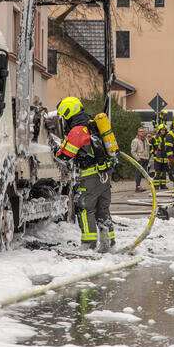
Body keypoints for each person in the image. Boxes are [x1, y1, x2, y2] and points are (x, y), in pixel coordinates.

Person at [55, 97, 115, 251]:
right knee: (103, 209)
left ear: (68, 113)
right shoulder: (92, 123)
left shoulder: (77, 130)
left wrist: (57, 147)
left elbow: (65, 155)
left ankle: (88, 245)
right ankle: (108, 244)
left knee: (85, 208)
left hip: (90, 176)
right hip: (105, 174)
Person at [149, 124, 169, 190]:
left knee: (163, 173)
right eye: (162, 130)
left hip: (165, 158)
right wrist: (153, 152)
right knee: (157, 172)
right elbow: (149, 146)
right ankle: (156, 185)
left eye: (164, 130)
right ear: (159, 131)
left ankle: (163, 185)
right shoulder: (155, 138)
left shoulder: (167, 138)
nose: (163, 131)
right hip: (157, 159)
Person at [130, 127, 150, 192]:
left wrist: (148, 157)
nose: (142, 133)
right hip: (140, 159)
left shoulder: (146, 140)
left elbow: (147, 149)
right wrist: (137, 158)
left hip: (145, 159)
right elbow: (133, 151)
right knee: (138, 173)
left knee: (144, 173)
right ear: (138, 132)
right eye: (141, 131)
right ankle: (137, 186)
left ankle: (142, 186)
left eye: (143, 131)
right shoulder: (135, 141)